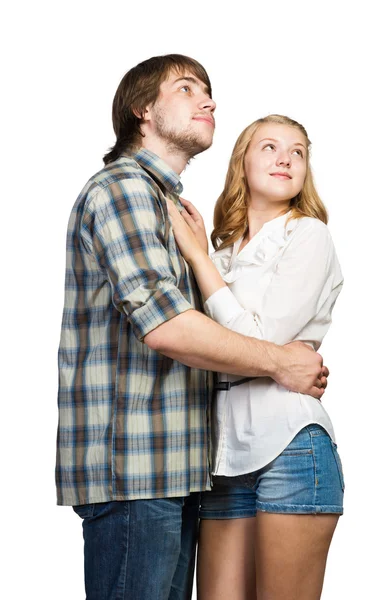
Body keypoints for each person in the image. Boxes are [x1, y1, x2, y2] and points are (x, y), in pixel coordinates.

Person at [56, 53, 329, 600]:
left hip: (184, 471)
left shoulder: (175, 210)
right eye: (186, 89)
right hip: (138, 468)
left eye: (209, 91)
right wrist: (282, 363)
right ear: (143, 111)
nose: (208, 100)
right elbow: (168, 328)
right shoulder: (125, 189)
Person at [167, 114, 344, 600]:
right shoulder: (223, 255)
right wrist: (208, 257)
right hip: (223, 458)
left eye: (297, 151)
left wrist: (199, 260)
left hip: (290, 445)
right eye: (268, 147)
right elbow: (193, 345)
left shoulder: (308, 235)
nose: (285, 158)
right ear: (241, 163)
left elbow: (260, 340)